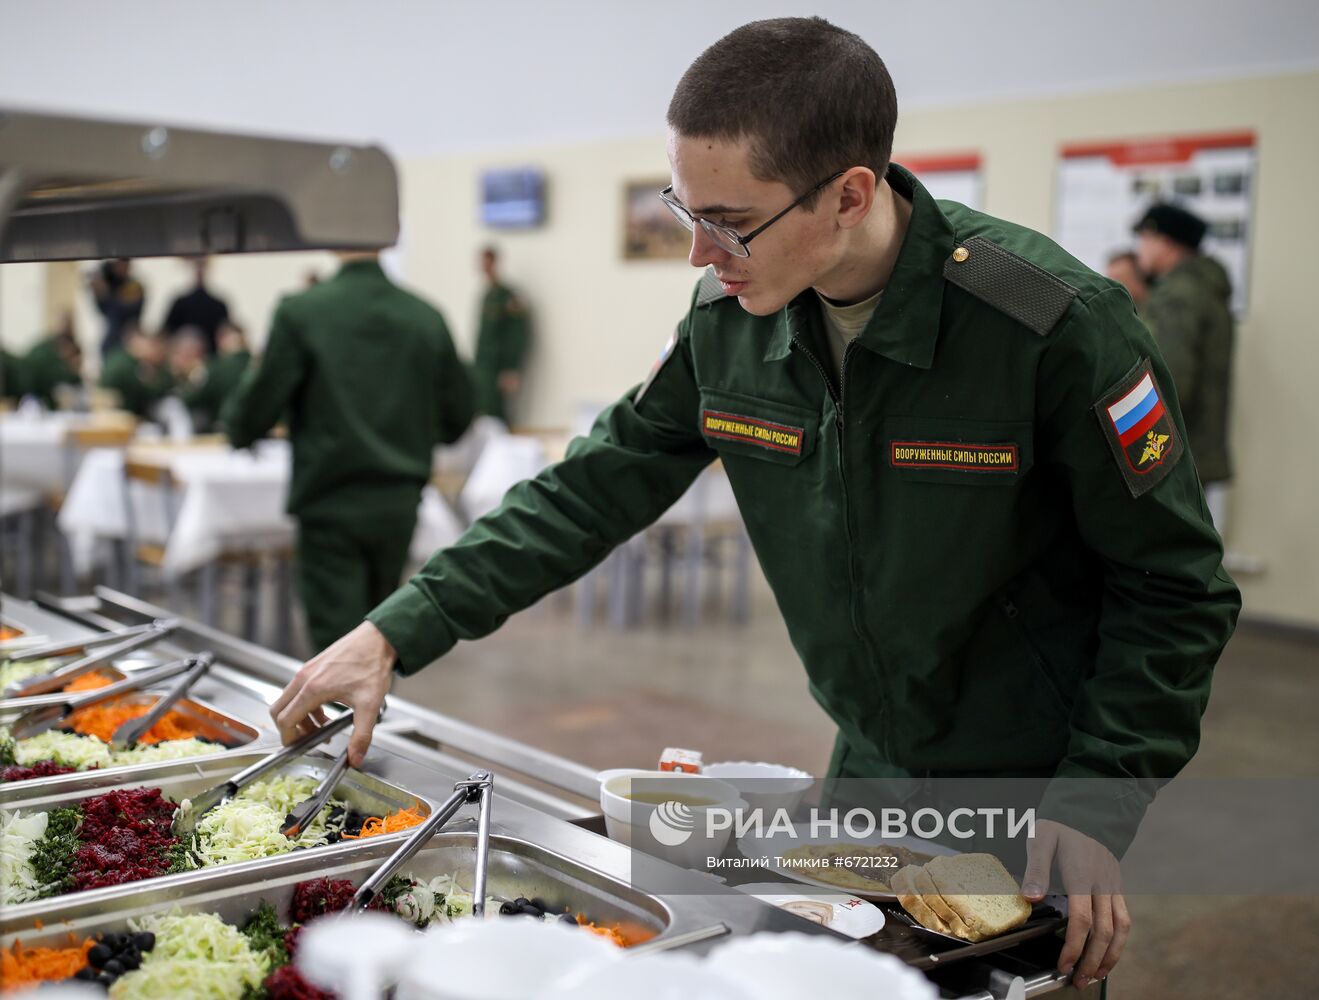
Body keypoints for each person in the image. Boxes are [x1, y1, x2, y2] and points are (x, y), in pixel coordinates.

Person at [272, 19, 1239, 989]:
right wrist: (399, 628)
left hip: (1032, 791)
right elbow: (590, 486)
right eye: (680, 209)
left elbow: (1172, 587)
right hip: (865, 772)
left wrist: (1097, 796)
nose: (698, 252)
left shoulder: (1044, 327)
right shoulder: (730, 324)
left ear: (849, 193)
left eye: (729, 220)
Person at [222, 251, 476, 654]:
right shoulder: (424, 316)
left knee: (338, 647)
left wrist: (242, 429)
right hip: (398, 502)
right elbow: (460, 414)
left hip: (330, 501)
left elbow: (254, 411)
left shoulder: (302, 312)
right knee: (380, 640)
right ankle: (369, 716)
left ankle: (346, 718)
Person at [1134, 203, 1236, 532]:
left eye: (1145, 238)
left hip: (1168, 457)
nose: (1141, 249)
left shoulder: (1178, 295)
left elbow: (1168, 380)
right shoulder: (1206, 290)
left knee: (1160, 552)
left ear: (1166, 243)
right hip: (1192, 452)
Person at [471, 246, 531, 426]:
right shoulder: (488, 294)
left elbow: (518, 334)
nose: (484, 267)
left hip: (499, 368)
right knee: (483, 413)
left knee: (497, 416)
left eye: (487, 262)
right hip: (483, 367)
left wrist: (511, 369)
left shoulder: (508, 296)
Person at [98, 323, 172, 418]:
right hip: (116, 415)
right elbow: (147, 393)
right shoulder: (126, 363)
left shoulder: (123, 357)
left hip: (118, 414)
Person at [164, 256, 231, 355]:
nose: (199, 271)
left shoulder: (218, 305)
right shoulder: (180, 303)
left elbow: (225, 334)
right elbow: (168, 332)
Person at [14, 315, 83, 409]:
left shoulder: (49, 346)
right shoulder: (48, 354)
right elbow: (58, 376)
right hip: (24, 389)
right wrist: (76, 375)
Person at [89, 259, 145, 357]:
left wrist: (105, 294)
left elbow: (124, 310)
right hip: (112, 341)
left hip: (130, 340)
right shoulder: (111, 285)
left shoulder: (134, 287)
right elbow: (103, 311)